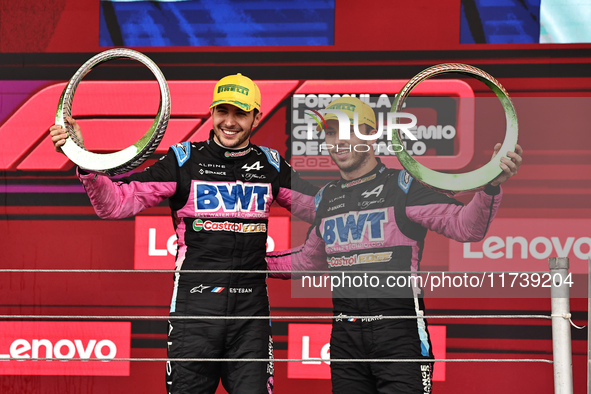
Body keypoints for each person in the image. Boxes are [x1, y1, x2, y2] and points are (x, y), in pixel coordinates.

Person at [49, 73, 318, 394]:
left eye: (240, 113)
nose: (229, 122)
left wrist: (284, 263)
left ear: (256, 117)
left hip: (251, 323)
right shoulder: (183, 160)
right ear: (211, 112)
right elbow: (116, 204)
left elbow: (326, 211)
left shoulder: (270, 165)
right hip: (194, 318)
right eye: (223, 111)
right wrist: (84, 160)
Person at [266, 97, 523, 393]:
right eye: (331, 132)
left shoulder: (403, 187)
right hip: (345, 340)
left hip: (401, 335)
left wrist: (491, 186)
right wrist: (246, 263)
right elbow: (304, 262)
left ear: (371, 136)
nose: (338, 140)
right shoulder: (327, 199)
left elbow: (467, 227)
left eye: (349, 130)